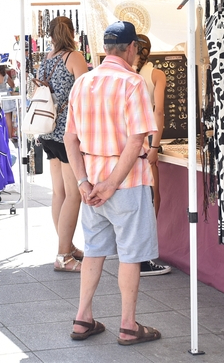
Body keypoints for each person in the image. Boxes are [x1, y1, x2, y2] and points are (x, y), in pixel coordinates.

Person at [64, 20, 162, 345]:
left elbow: (70, 139)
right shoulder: (132, 83)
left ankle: (82, 317)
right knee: (131, 254)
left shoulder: (83, 82)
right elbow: (137, 142)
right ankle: (128, 324)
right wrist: (111, 184)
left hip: (91, 182)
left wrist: (83, 182)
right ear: (132, 48)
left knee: (93, 250)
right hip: (127, 181)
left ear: (105, 48)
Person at [38, 16, 89, 273]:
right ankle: (63, 255)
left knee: (58, 192)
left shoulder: (46, 59)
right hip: (67, 133)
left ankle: (65, 246)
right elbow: (86, 90)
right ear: (71, 31)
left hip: (46, 131)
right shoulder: (74, 57)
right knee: (73, 194)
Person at [134, 34, 172, 276]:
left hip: (126, 140)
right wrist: (155, 147)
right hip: (147, 139)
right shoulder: (156, 74)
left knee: (134, 197)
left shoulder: (125, 73)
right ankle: (145, 255)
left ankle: (133, 251)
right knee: (151, 196)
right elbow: (159, 112)